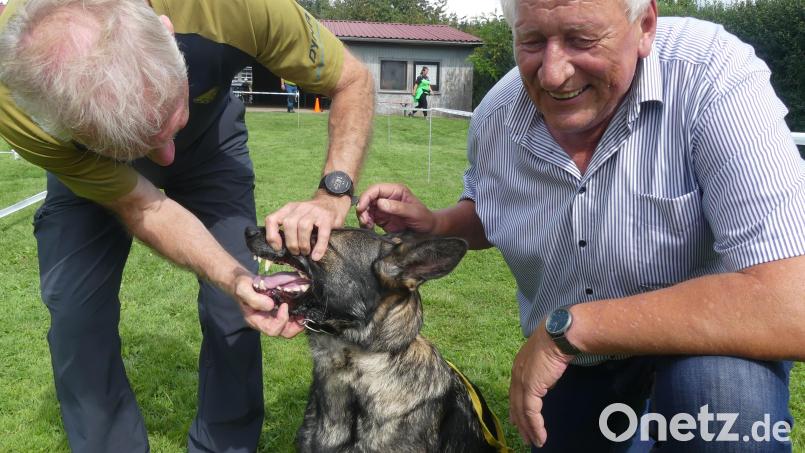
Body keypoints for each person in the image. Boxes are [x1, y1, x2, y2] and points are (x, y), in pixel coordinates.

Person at [356, 0, 805, 450]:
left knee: (723, 392)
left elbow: (792, 302)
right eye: (532, 41)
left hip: (702, 343)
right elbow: (494, 213)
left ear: (644, 24)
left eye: (581, 39)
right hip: (581, 364)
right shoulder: (498, 116)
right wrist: (437, 223)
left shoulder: (711, 75)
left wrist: (571, 330)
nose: (552, 74)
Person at [0, 0, 373, 451]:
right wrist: (226, 274)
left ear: (167, 31)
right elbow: (145, 207)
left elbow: (351, 79)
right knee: (75, 313)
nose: (164, 160)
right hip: (92, 165)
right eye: (142, 143)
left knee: (235, 308)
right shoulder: (18, 91)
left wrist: (333, 193)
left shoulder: (243, 9)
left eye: (169, 121)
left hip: (212, 145)